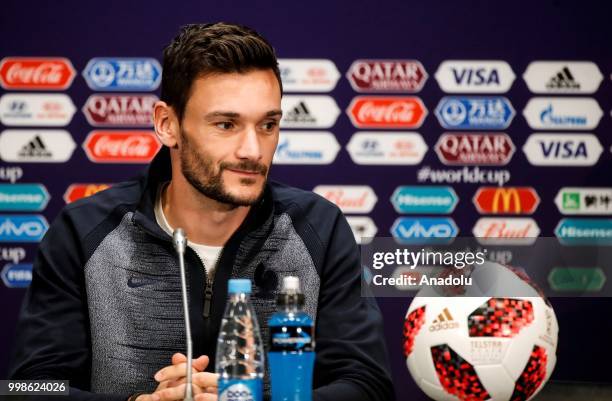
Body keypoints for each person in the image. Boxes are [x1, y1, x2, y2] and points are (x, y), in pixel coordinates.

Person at [9, 22, 394, 401]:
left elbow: (369, 385)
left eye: (268, 125)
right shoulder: (82, 231)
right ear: (167, 125)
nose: (253, 150)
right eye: (226, 124)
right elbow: (28, 388)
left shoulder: (321, 230)